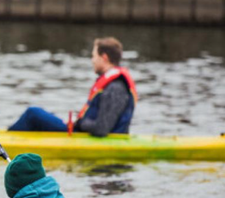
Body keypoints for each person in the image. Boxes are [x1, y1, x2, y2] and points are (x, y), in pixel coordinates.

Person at [8, 37, 137, 136]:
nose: (92, 60)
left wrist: (80, 122)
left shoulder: (115, 88)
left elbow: (101, 129)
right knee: (44, 116)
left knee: (33, 113)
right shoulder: (113, 85)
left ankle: (1, 145)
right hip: (82, 132)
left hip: (87, 136)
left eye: (94, 56)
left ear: (104, 58)